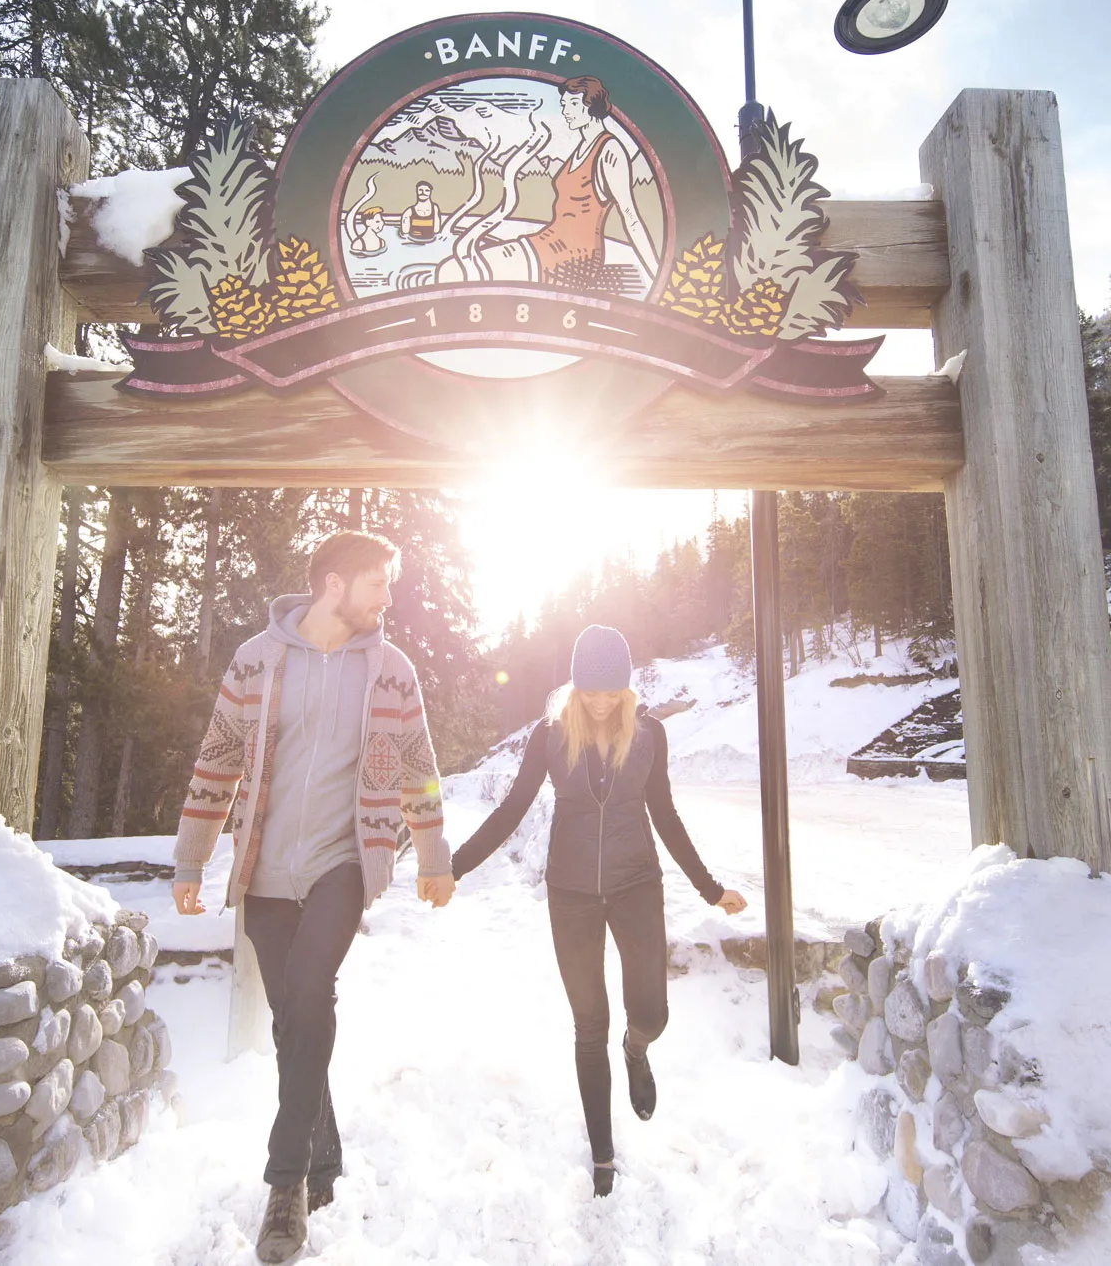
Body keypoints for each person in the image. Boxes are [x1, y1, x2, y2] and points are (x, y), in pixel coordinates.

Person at [172, 530, 455, 1262]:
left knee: (308, 989)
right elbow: (218, 758)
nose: (387, 599)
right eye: (377, 584)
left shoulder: (391, 672)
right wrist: (189, 860)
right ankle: (322, 1152)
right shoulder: (256, 662)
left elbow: (419, 766)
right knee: (291, 1018)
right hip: (263, 871)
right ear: (335, 583)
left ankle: (285, 1186)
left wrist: (433, 853)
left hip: (343, 864)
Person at [450, 624, 746, 1197]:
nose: (604, 700)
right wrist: (454, 866)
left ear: (628, 688)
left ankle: (636, 1051)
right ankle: (602, 1155)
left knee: (652, 1013)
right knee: (589, 1025)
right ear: (576, 687)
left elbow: (664, 814)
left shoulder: (649, 735)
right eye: (592, 690)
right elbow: (512, 808)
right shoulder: (550, 737)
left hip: (637, 885)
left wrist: (711, 889)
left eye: (614, 690)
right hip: (572, 894)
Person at [433, 76, 660, 291]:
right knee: (451, 268)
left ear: (588, 105)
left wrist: (657, 275)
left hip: (574, 258)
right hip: (547, 242)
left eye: (569, 104)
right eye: (563, 105)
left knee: (453, 272)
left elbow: (630, 216)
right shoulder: (580, 148)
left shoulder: (610, 150)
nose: (564, 111)